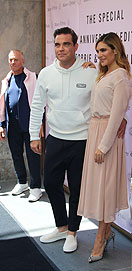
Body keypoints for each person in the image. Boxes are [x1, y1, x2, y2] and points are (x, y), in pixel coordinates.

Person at [29, 27, 127, 253]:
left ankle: (73, 231)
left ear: (75, 46)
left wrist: (122, 118)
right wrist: (35, 134)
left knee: (77, 189)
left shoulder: (92, 71)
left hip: (84, 140)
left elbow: (110, 98)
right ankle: (61, 227)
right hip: (55, 137)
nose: (61, 49)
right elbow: (37, 106)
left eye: (66, 44)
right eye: (57, 44)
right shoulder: (45, 73)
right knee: (51, 183)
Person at [77, 32, 131, 263]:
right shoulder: (103, 75)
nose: (99, 55)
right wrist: (93, 69)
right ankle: (106, 232)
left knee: (106, 189)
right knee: (99, 189)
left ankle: (101, 237)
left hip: (107, 136)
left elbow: (118, 114)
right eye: (97, 51)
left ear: (115, 50)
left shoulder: (121, 76)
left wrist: (104, 146)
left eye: (104, 51)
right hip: (95, 131)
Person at [0, 50, 43, 202]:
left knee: (33, 156)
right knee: (16, 154)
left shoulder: (32, 77)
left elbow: (41, 102)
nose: (13, 62)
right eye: (10, 60)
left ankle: (36, 188)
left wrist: (41, 123)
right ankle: (22, 182)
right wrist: (1, 124)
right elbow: (2, 103)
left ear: (22, 61)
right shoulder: (7, 79)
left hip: (30, 125)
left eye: (16, 60)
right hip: (13, 125)